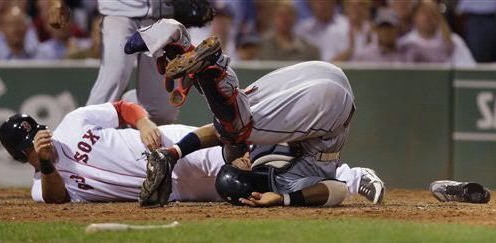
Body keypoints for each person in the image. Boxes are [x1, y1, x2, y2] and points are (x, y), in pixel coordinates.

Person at [127, 33, 385, 208]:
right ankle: (197, 58)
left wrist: (174, 152)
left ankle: (190, 51)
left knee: (235, 123)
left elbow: (217, 132)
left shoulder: (259, 146)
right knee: (235, 124)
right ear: (251, 186)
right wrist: (284, 199)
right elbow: (338, 190)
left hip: (320, 89)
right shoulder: (279, 178)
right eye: (239, 167)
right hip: (325, 95)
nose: (240, 161)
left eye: (235, 163)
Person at [0, 101, 225, 204]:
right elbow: (57, 198)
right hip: (173, 190)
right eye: (31, 144)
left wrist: (144, 123)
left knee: (240, 157)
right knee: (237, 185)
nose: (40, 140)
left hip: (168, 145)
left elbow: (121, 108)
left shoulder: (72, 122)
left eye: (38, 132)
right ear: (21, 156)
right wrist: (46, 162)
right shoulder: (42, 188)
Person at [47, 0, 214, 125]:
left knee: (162, 113)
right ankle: (81, 129)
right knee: (115, 77)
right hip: (120, 11)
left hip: (161, 16)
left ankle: (130, 104)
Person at [399, 0, 475, 67]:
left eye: (431, 13)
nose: (428, 17)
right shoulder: (405, 44)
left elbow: (468, 69)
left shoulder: (453, 41)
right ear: (414, 16)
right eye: (423, 13)